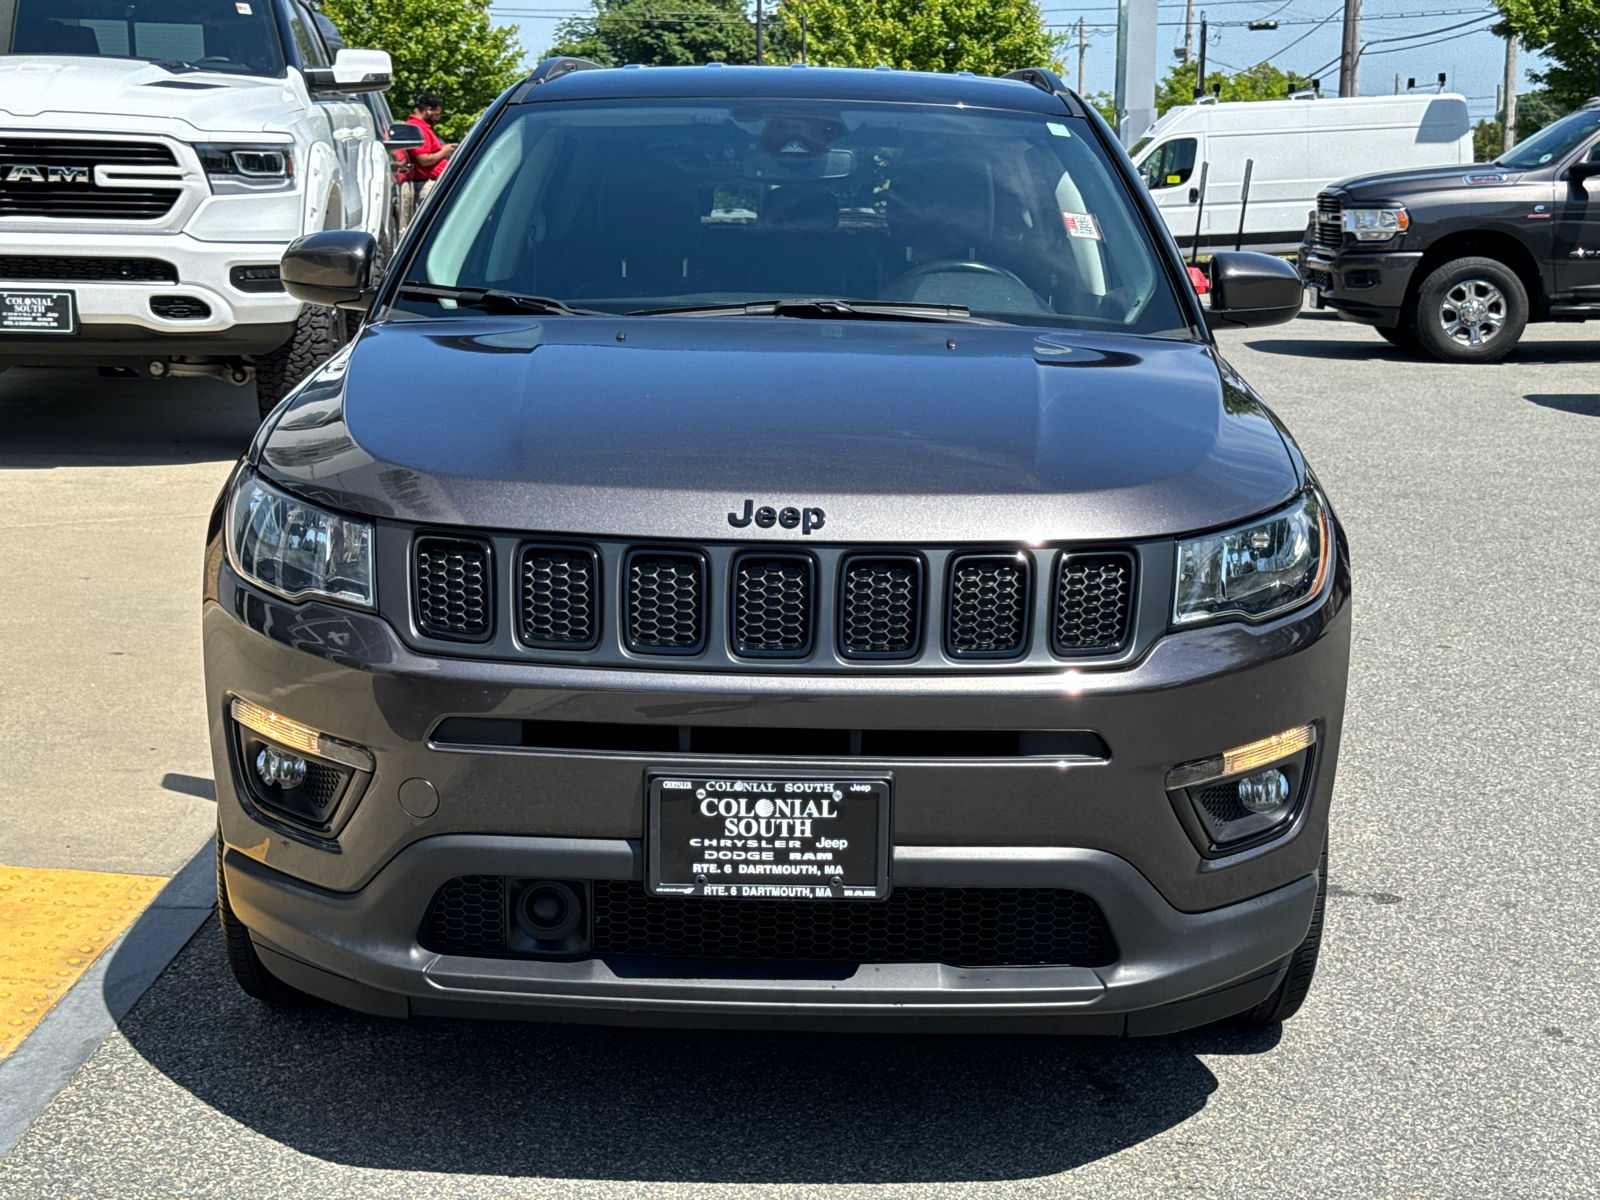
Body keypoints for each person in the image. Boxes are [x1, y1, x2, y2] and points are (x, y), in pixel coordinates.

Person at [397, 91, 457, 227]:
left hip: (430, 182)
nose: (437, 118)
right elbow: (423, 159)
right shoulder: (416, 128)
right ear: (428, 110)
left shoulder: (422, 128)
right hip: (426, 184)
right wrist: (445, 151)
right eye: (436, 114)